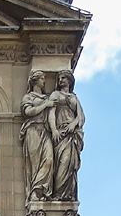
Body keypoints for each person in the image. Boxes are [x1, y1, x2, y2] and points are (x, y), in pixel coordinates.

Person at [48, 69, 84, 201]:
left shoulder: (74, 98)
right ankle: (58, 193)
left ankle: (66, 194)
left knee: (69, 164)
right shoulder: (55, 95)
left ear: (69, 80)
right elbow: (51, 114)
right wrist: (54, 130)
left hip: (71, 134)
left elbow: (81, 117)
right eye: (59, 78)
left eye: (63, 78)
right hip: (60, 133)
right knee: (61, 163)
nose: (61, 80)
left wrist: (73, 125)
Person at [20, 69, 54, 204]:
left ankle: (42, 190)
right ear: (35, 80)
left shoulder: (47, 98)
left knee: (49, 160)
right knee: (35, 164)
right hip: (33, 131)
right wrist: (45, 105)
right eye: (42, 78)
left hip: (45, 131)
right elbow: (28, 111)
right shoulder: (29, 97)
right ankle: (35, 192)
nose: (44, 81)